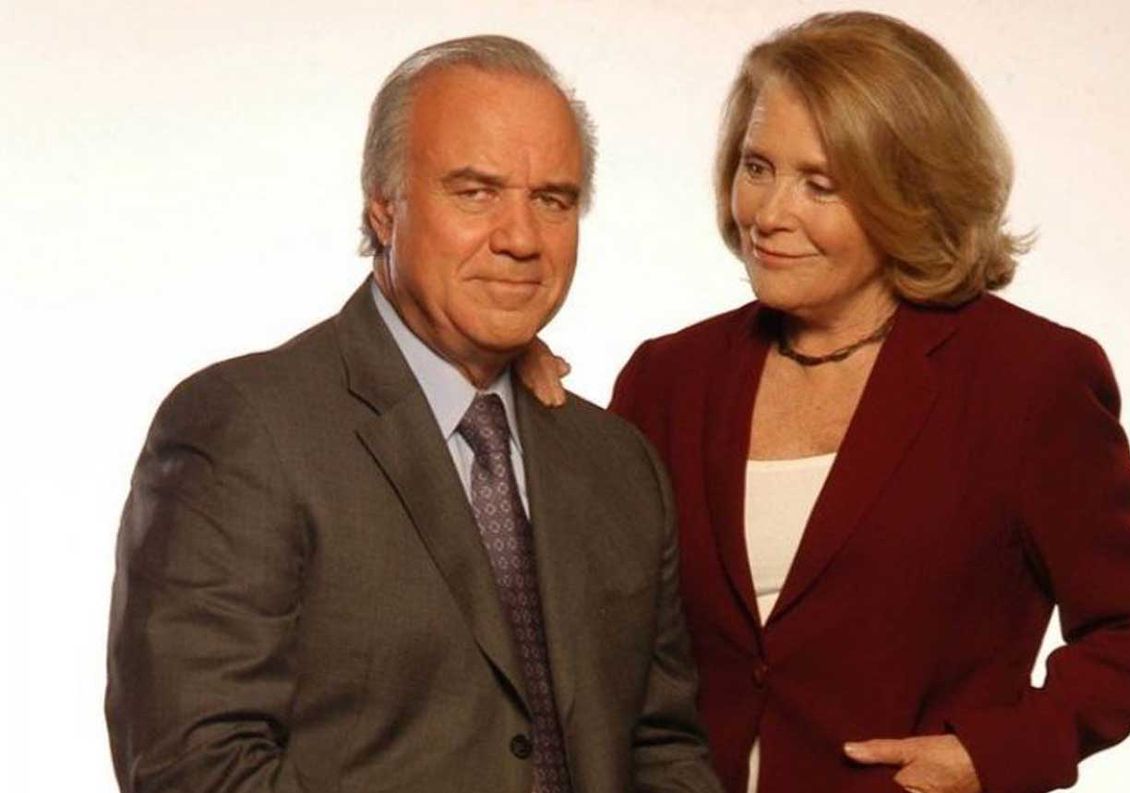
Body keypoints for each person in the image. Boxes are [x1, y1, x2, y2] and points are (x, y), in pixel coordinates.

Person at [520, 12, 1130, 793]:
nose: (769, 213)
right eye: (757, 166)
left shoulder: (1028, 379)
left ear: (908, 195)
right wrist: (511, 383)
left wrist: (985, 757)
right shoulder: (669, 376)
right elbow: (580, 620)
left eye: (821, 184)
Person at [105, 35, 722, 793]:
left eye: (552, 200)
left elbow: (663, 748)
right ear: (384, 207)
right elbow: (196, 768)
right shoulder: (245, 430)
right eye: (476, 192)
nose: (521, 239)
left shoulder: (620, 464)